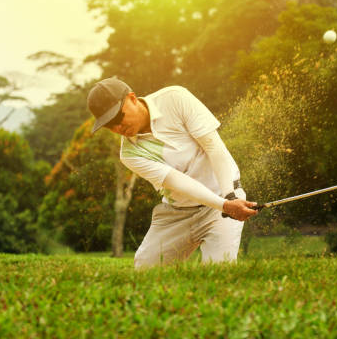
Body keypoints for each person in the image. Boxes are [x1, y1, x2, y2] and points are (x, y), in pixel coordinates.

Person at [87, 77, 258, 268]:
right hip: (178, 212)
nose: (117, 128)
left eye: (119, 117)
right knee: (145, 269)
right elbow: (177, 181)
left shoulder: (175, 98)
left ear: (132, 98)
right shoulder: (129, 154)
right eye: (110, 125)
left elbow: (214, 147)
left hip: (222, 199)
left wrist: (229, 197)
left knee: (219, 270)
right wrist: (226, 205)